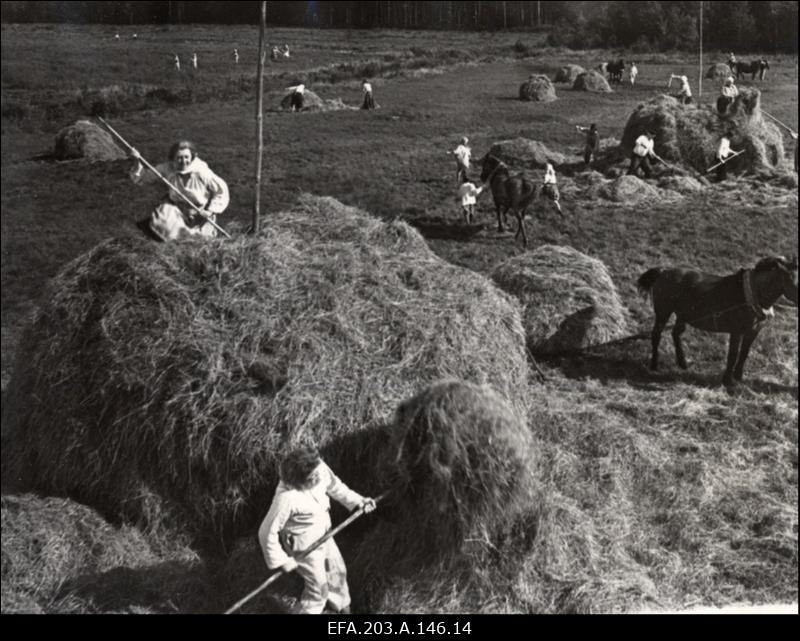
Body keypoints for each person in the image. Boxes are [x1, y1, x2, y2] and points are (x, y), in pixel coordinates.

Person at [258, 444, 377, 615]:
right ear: (298, 480)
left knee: (338, 571)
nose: (318, 477)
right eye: (311, 477)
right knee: (318, 590)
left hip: (324, 534)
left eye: (316, 472)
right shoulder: (286, 498)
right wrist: (281, 560)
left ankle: (343, 610)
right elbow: (266, 531)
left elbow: (337, 487)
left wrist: (359, 501)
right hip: (303, 546)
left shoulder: (318, 467)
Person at [129, 140, 229, 239]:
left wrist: (209, 211)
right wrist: (136, 160)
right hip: (176, 211)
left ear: (192, 156)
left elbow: (221, 191)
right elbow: (143, 178)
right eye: (179, 158)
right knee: (163, 231)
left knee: (199, 241)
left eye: (186, 157)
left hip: (199, 214)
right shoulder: (167, 168)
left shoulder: (201, 172)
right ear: (172, 158)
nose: (183, 161)